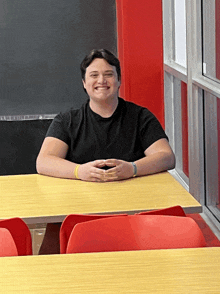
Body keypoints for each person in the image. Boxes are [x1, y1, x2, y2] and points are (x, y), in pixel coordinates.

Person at [36, 49, 175, 254]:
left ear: (119, 80)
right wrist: (79, 172)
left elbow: (166, 157)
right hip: (77, 211)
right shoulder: (67, 120)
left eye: (108, 74)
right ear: (84, 83)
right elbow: (44, 161)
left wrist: (133, 168)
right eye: (94, 75)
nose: (102, 80)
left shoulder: (140, 117)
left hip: (131, 212)